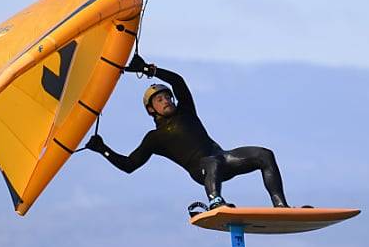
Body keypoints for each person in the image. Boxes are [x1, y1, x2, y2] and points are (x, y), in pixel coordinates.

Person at [85, 55, 290, 210]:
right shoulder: (155, 138)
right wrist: (103, 149)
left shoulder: (186, 111)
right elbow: (129, 165)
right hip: (201, 170)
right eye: (159, 100)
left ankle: (280, 206)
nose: (166, 101)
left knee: (264, 155)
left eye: (167, 97)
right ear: (150, 109)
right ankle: (215, 201)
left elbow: (178, 81)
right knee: (211, 162)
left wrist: (149, 69)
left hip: (223, 159)